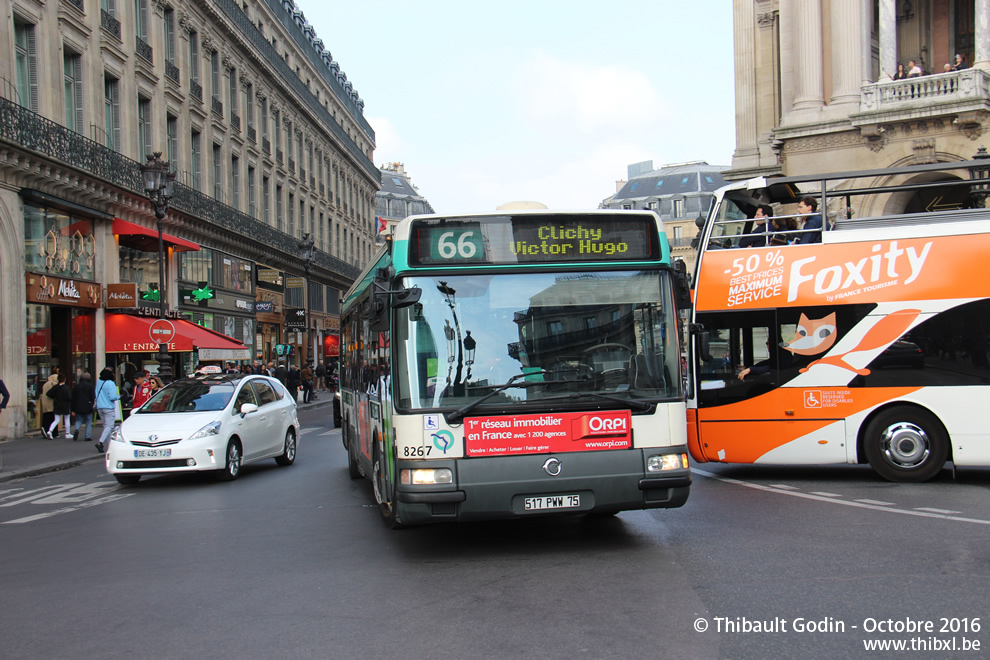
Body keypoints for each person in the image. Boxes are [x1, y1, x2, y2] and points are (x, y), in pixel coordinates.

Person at [94, 368, 121, 453]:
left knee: (106, 427)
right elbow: (112, 396)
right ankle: (100, 442)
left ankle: (110, 445)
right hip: (108, 407)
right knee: (109, 426)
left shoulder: (98, 382)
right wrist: (119, 396)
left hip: (99, 407)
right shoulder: (110, 383)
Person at [45, 373, 72, 440]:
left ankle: (50, 431)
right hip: (65, 405)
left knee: (56, 420)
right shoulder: (66, 388)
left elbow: (48, 393)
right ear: (64, 380)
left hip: (57, 405)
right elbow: (69, 397)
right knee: (66, 419)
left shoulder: (55, 387)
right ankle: (67, 433)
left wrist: (55, 397)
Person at [70, 372, 96, 442]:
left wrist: (72, 409)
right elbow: (92, 397)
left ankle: (77, 429)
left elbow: (73, 398)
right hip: (88, 406)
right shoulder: (91, 386)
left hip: (78, 406)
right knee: (88, 421)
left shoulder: (76, 386)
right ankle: (87, 436)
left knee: (78, 420)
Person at [40, 369, 59, 438]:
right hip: (51, 403)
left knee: (46, 417)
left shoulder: (45, 384)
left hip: (45, 403)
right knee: (53, 418)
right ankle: (53, 432)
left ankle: (44, 428)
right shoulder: (53, 384)